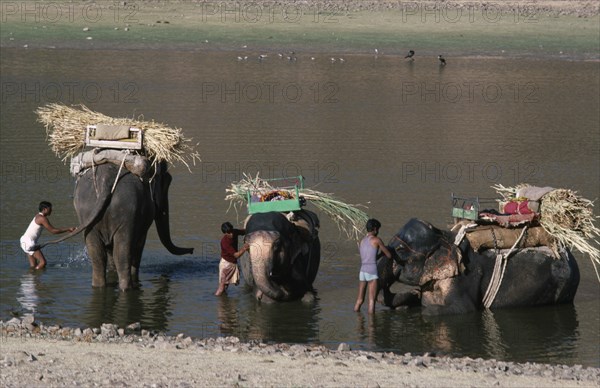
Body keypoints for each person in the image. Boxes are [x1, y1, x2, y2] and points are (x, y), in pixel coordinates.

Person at [20, 201, 76, 270]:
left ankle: (32, 278)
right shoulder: (42, 218)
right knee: (43, 263)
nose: (51, 210)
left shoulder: (38, 216)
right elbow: (53, 231)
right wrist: (68, 229)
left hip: (24, 241)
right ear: (45, 209)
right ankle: (35, 274)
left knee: (33, 266)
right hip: (29, 243)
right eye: (50, 209)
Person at [354, 218, 391, 314]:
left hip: (362, 271)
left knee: (359, 300)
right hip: (371, 271)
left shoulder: (362, 241)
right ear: (374, 229)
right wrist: (385, 251)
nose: (378, 231)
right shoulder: (377, 240)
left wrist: (379, 255)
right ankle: (371, 326)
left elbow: (369, 258)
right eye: (378, 229)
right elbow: (389, 255)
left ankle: (358, 322)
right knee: (371, 301)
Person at [215, 222, 249, 296]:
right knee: (221, 288)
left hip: (232, 263)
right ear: (225, 233)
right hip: (226, 265)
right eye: (229, 233)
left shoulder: (235, 232)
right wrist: (244, 248)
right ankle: (217, 301)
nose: (231, 234)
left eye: (231, 231)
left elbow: (244, 231)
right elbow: (236, 255)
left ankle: (224, 303)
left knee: (226, 286)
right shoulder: (224, 242)